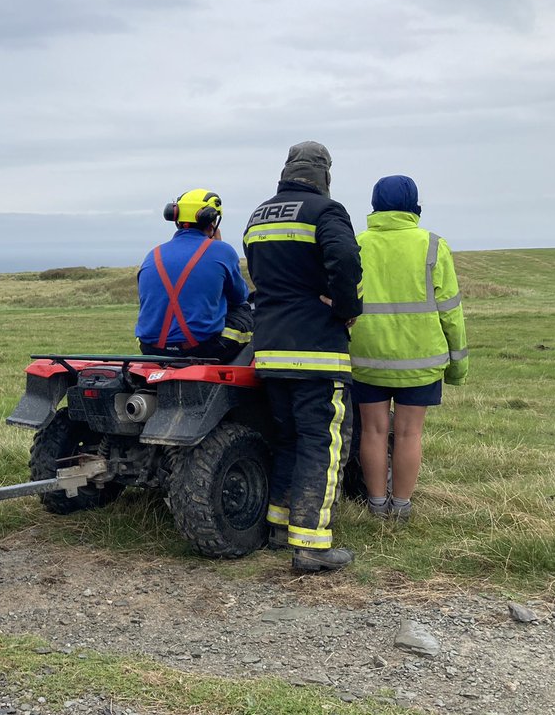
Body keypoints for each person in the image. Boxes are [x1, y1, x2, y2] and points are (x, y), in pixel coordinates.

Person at [244, 142, 363, 572]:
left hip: (270, 349)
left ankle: (279, 528)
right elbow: (346, 259)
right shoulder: (327, 212)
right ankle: (312, 544)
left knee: (289, 440)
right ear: (325, 174)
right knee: (324, 443)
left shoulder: (259, 215)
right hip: (317, 351)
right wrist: (347, 308)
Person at [348, 175, 468, 520]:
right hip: (421, 359)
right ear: (414, 207)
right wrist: (457, 364)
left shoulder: (357, 244)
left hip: (367, 356)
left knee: (371, 431)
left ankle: (375, 504)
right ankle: (401, 507)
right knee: (409, 432)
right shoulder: (433, 245)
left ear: (374, 206)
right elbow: (450, 311)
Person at [135, 188, 252, 363]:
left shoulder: (154, 253)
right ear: (212, 221)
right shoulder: (222, 250)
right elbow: (239, 297)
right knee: (246, 309)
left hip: (150, 348)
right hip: (203, 349)